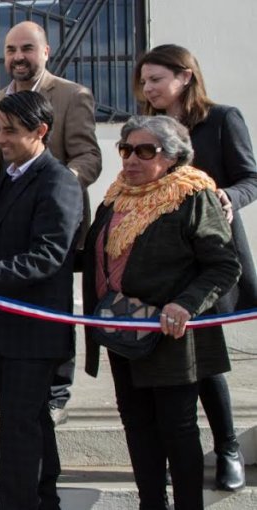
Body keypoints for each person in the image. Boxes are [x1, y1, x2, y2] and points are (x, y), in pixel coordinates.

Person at [83, 115, 240, 510]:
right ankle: (151, 503)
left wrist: (184, 304)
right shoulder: (116, 196)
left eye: (144, 151)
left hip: (170, 335)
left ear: (171, 157)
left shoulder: (191, 194)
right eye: (126, 150)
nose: (131, 159)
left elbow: (223, 265)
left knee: (178, 429)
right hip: (121, 330)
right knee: (137, 427)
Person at [0, 91, 82, 510]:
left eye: (11, 131)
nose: (1, 138)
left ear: (41, 132)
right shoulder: (8, 175)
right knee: (33, 420)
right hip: (2, 324)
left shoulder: (58, 181)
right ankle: (46, 499)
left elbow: (47, 256)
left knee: (21, 426)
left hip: (35, 331)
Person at [134, 44, 257, 491]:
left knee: (205, 361)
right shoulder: (147, 129)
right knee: (172, 367)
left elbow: (252, 177)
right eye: (143, 82)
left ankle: (228, 448)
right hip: (162, 262)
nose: (147, 89)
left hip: (211, 255)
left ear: (185, 77)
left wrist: (229, 196)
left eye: (155, 80)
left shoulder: (222, 119)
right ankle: (174, 453)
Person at [0, 20, 102, 426]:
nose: (18, 57)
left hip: (58, 220)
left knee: (54, 301)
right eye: (10, 50)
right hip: (12, 218)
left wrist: (51, 191)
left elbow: (88, 158)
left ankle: (57, 393)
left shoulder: (73, 95)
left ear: (46, 52)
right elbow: (0, 160)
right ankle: (21, 387)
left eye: (27, 49)